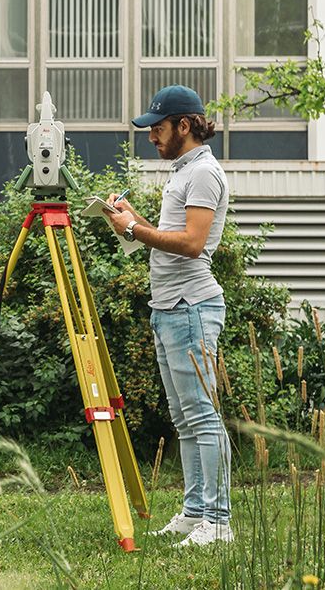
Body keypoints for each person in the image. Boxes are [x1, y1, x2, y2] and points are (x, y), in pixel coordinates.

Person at [105, 85, 233, 547]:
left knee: (202, 416)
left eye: (157, 129)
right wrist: (134, 221)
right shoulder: (183, 172)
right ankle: (195, 511)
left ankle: (218, 522)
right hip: (169, 307)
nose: (151, 137)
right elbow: (171, 235)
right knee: (184, 419)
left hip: (191, 307)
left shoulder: (202, 173)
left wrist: (135, 229)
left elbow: (194, 244)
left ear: (185, 125)